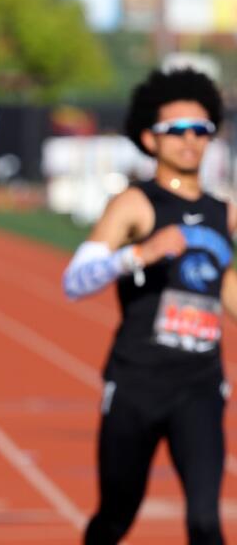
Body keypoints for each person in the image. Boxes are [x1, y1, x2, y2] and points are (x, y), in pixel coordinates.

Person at [62, 68, 235, 544]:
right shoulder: (135, 204)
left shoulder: (225, 213)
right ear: (149, 138)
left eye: (200, 130)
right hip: (136, 384)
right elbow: (73, 282)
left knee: (205, 520)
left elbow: (227, 291)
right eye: (175, 130)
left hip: (199, 387)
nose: (189, 140)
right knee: (115, 517)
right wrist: (140, 253)